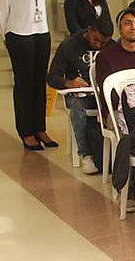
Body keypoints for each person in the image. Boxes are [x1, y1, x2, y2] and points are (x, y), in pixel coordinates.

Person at [0, 0, 56, 150]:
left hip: (41, 33)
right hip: (19, 35)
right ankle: (26, 132)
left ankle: (40, 128)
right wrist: (5, 35)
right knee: (24, 84)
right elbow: (1, 10)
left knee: (40, 82)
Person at [47, 16, 114, 174]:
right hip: (79, 94)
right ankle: (86, 154)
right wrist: (69, 83)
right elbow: (52, 77)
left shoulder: (111, 46)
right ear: (89, 30)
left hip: (102, 92)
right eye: (96, 40)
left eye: (103, 43)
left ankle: (114, 152)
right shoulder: (69, 46)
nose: (98, 45)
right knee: (78, 107)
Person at [95, 9, 135, 99]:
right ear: (120, 29)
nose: (133, 27)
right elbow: (107, 92)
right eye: (127, 23)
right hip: (116, 110)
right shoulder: (104, 57)